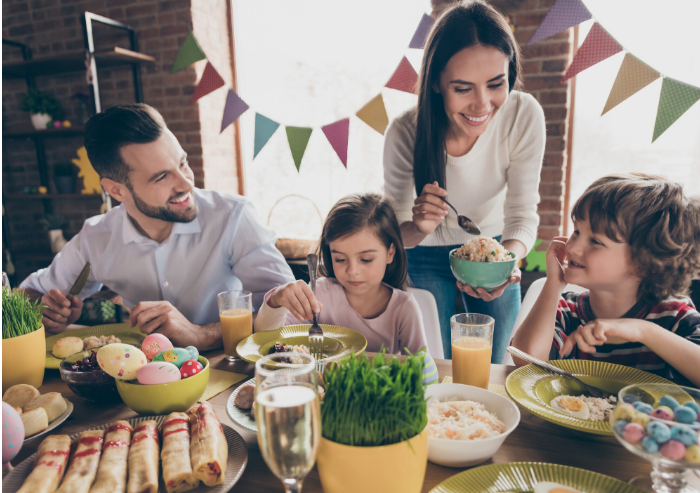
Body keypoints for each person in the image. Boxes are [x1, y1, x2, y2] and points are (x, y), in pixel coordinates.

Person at [20, 103, 295, 350]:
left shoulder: (233, 217)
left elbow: (292, 314)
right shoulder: (96, 237)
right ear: (117, 191)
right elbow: (26, 294)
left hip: (232, 373)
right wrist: (46, 312)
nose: (187, 183)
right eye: (162, 177)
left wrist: (202, 334)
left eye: (182, 163)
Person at [383, 0, 545, 362]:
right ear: (437, 82)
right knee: (434, 364)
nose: (482, 104)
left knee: (502, 361)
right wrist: (420, 226)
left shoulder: (523, 115)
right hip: (422, 255)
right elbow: (391, 235)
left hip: (495, 251)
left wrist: (508, 264)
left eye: (495, 84)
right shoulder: (404, 133)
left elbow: (522, 214)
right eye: (463, 88)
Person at [512, 174, 700, 388]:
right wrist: (554, 282)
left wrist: (643, 331)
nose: (572, 247)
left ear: (645, 262)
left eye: (595, 241)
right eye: (576, 231)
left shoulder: (674, 316)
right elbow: (525, 360)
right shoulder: (566, 310)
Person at [255, 193, 438, 383]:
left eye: (366, 259)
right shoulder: (321, 294)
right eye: (340, 259)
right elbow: (267, 340)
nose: (352, 271)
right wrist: (275, 300)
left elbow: (427, 374)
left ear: (390, 253)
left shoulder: (403, 308)